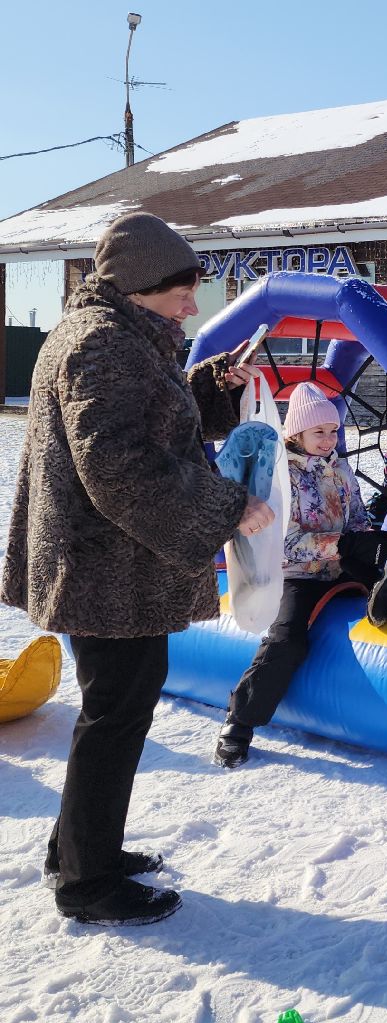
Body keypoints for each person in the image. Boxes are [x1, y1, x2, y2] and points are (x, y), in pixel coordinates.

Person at [3, 211, 274, 926]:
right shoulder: (103, 344)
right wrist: (226, 507)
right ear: (141, 285)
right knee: (116, 712)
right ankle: (87, 882)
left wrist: (213, 386)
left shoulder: (115, 331)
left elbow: (154, 415)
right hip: (105, 569)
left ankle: (80, 849)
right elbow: (119, 467)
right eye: (183, 292)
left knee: (115, 708)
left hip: (107, 567)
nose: (193, 305)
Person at [218, 384, 387, 766]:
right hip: (298, 574)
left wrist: (371, 544)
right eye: (319, 433)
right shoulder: (283, 476)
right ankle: (239, 721)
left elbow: (357, 519)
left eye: (333, 431)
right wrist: (342, 545)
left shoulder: (341, 469)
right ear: (296, 434)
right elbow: (286, 543)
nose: (328, 440)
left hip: (342, 566)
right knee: (288, 640)